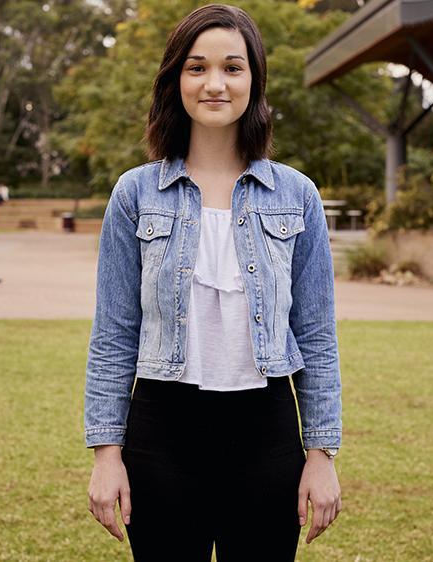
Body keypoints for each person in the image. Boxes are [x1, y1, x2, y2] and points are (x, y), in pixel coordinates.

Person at [84, 5, 342, 561]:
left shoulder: (297, 196)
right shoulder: (135, 193)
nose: (215, 83)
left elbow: (317, 335)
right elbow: (113, 332)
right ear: (175, 80)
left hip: (267, 431)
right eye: (197, 68)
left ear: (255, 80)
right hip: (160, 431)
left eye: (233, 67)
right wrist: (107, 454)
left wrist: (320, 454)